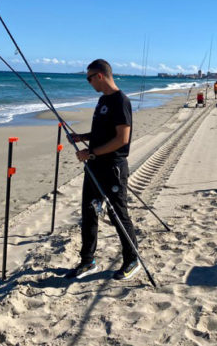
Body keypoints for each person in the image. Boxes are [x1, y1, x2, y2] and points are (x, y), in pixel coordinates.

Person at [65, 59, 139, 281]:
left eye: (89, 78)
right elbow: (102, 133)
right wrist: (83, 138)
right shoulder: (102, 100)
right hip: (95, 166)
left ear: (100, 75)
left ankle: (131, 259)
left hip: (113, 167)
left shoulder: (120, 101)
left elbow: (121, 139)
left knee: (118, 214)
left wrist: (91, 153)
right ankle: (88, 261)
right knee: (88, 212)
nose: (88, 82)